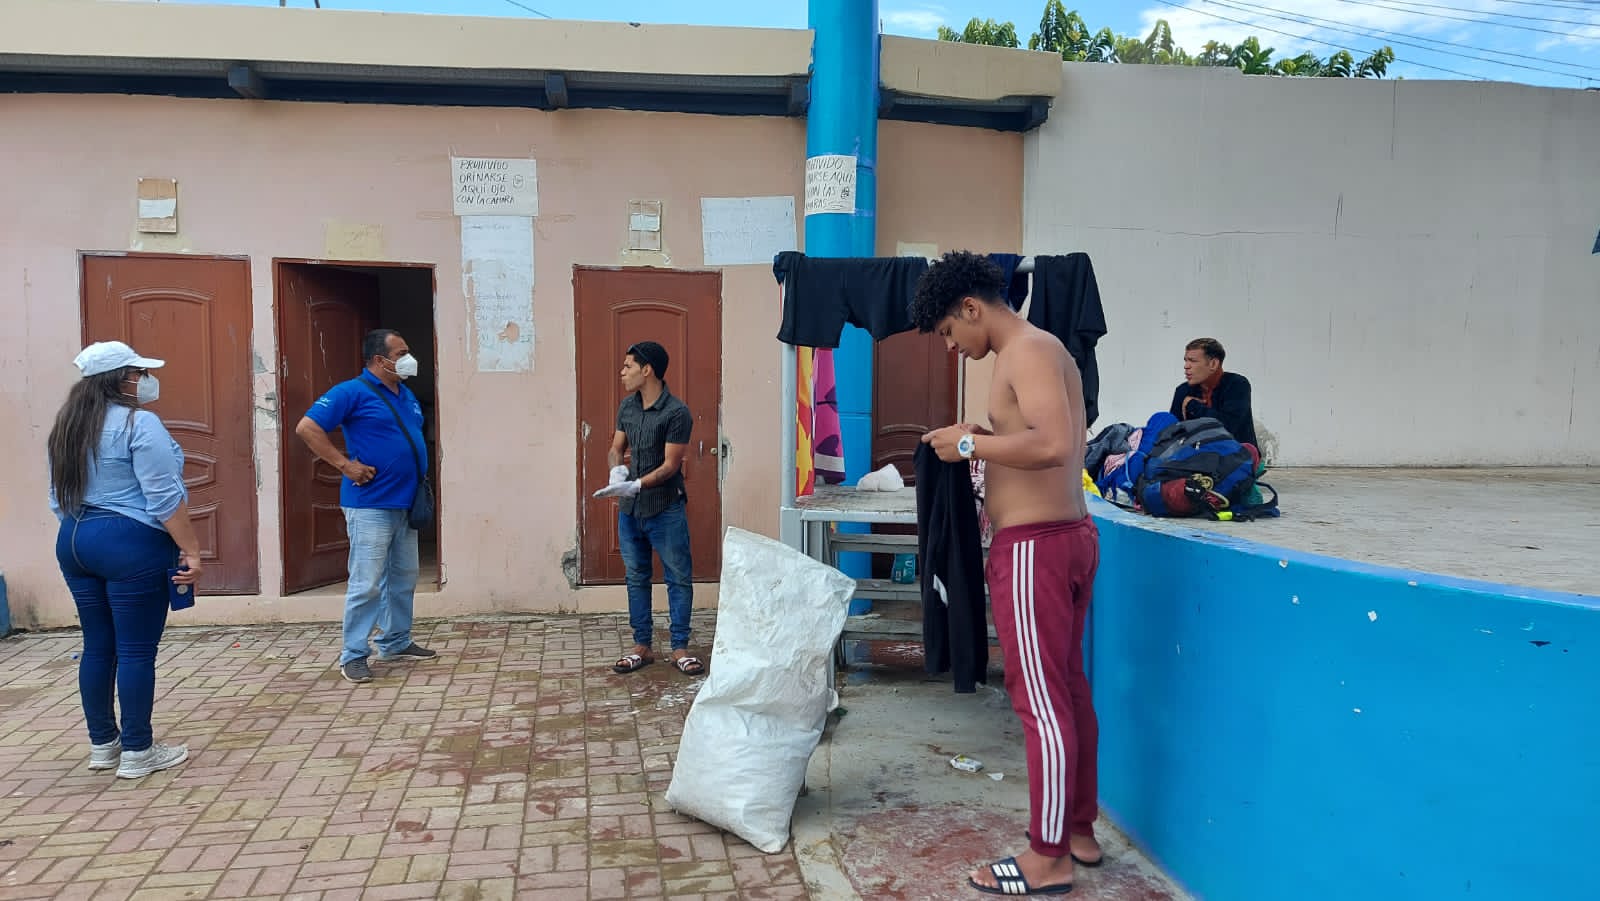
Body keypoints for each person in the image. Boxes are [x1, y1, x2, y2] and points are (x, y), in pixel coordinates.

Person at [914, 252, 1102, 896]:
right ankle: (1077, 830)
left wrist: (969, 444)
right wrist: (984, 439)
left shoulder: (1025, 350)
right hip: (1065, 537)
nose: (951, 346)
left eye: (948, 330)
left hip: (1035, 549)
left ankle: (1048, 858)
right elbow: (1036, 438)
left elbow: (1054, 445)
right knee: (1067, 690)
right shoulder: (1041, 350)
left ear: (971, 308)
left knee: (1040, 702)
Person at [48, 340, 199, 779]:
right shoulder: (139, 423)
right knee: (135, 649)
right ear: (122, 379)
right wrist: (191, 549)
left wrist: (88, 531)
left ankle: (103, 745)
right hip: (129, 541)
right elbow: (163, 497)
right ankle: (138, 750)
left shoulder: (67, 425)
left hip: (75, 537)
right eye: (139, 372)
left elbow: (57, 497)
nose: (146, 380)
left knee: (98, 645)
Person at [294, 329, 436, 685]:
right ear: (378, 360)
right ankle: (354, 654)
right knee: (367, 582)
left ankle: (395, 641)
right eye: (400, 353)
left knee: (403, 577)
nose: (408, 359)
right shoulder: (351, 392)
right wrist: (345, 465)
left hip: (405, 502)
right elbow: (307, 427)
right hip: (371, 503)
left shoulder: (405, 394)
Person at [594, 341, 703, 677]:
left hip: (665, 507)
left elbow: (671, 465)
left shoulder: (676, 413)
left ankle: (680, 648)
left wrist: (639, 484)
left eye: (628, 366)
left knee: (678, 577)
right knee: (636, 576)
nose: (622, 372)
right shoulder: (627, 407)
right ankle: (641, 645)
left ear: (647, 370)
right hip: (630, 511)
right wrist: (617, 473)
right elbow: (616, 447)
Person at [1170, 337, 1257, 449]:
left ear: (1213, 364)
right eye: (1185, 360)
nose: (1186, 366)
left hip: (1236, 453)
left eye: (1193, 361)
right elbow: (1172, 434)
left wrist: (1192, 405)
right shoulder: (1183, 390)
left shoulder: (1237, 384)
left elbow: (1227, 428)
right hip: (1197, 455)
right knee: (1161, 418)